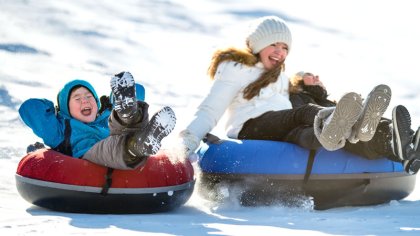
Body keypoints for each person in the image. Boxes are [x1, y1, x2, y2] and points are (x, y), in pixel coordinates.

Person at [178, 16, 389, 158]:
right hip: (251, 126)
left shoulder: (280, 77)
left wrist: (309, 84)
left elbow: (296, 90)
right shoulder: (236, 68)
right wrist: (189, 138)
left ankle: (354, 129)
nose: (280, 52)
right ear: (258, 44)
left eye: (285, 47)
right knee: (303, 113)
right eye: (274, 45)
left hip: (279, 125)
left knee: (304, 134)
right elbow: (211, 108)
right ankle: (347, 119)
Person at [19, 71, 176, 170]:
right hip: (90, 154)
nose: (85, 101)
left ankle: (129, 113)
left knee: (120, 122)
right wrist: (55, 110)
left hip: (120, 137)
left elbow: (138, 89)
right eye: (77, 98)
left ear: (97, 102)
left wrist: (115, 100)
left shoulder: (104, 117)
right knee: (112, 146)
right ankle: (140, 144)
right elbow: (29, 108)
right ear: (66, 109)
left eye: (89, 97)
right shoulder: (61, 129)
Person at [289, 71, 420, 174]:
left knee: (371, 123)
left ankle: (407, 144)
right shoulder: (299, 97)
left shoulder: (330, 101)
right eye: (309, 75)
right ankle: (398, 147)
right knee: (355, 132)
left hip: (351, 129)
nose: (316, 76)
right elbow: (301, 117)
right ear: (298, 82)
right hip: (330, 132)